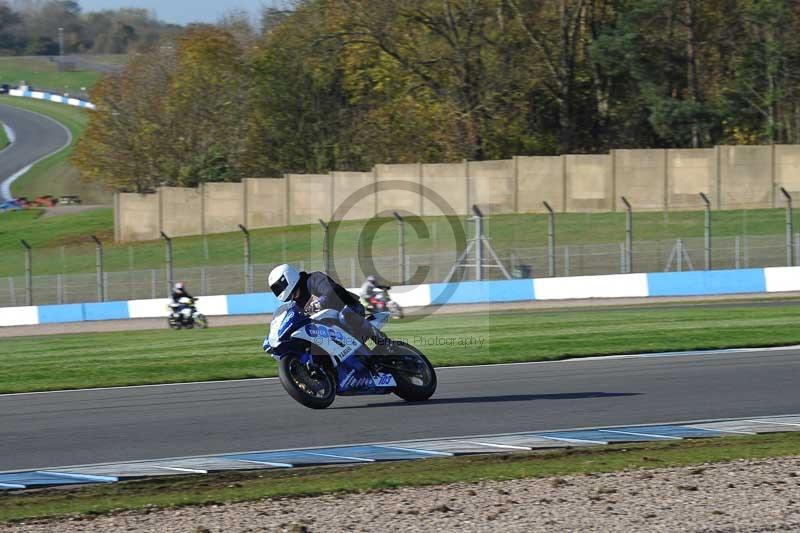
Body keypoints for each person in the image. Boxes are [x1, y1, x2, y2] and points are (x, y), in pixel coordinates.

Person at [268, 264, 390, 346]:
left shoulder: (313, 279)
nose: (278, 291)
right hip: (330, 326)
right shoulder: (296, 304)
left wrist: (322, 301)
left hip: (350, 308)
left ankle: (383, 343)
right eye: (276, 289)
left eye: (279, 287)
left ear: (287, 278)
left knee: (345, 316)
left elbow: (332, 290)